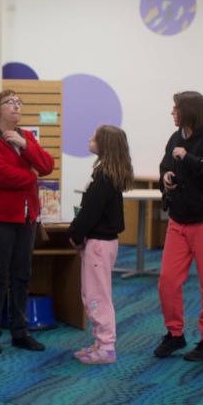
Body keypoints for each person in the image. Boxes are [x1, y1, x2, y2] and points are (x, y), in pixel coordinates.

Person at [0, 90, 54, 354]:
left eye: (20, 102)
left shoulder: (26, 136)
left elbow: (46, 165)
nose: (17, 106)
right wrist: (30, 176)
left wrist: (24, 145)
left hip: (26, 216)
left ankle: (21, 331)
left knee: (22, 275)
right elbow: (1, 176)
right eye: (11, 102)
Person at [154, 91, 203, 361]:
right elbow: (165, 164)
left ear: (189, 111)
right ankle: (175, 335)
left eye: (176, 108)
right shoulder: (175, 137)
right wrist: (167, 178)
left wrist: (188, 159)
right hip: (179, 221)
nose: (172, 112)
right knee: (167, 281)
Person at [68, 125, 133, 365]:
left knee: (97, 296)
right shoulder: (107, 174)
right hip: (102, 243)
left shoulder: (104, 178)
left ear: (104, 145)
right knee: (93, 293)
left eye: (94, 137)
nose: (89, 138)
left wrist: (75, 234)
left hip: (99, 244)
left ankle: (106, 346)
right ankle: (99, 342)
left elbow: (90, 213)